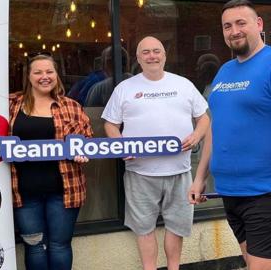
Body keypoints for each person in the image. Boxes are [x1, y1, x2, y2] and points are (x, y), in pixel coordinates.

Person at [188, 1, 271, 270]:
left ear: (259, 25)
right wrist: (199, 178)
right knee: (252, 263)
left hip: (267, 193)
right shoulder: (225, 72)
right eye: (227, 26)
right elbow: (215, 129)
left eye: (241, 23)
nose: (234, 31)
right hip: (231, 193)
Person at [102, 36, 210, 270]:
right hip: (140, 172)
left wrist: (196, 135)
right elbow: (110, 124)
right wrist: (121, 146)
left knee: (176, 227)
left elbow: (204, 118)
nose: (152, 56)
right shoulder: (125, 88)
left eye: (157, 51)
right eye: (146, 52)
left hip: (180, 171)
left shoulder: (183, 85)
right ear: (138, 58)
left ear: (164, 55)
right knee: (144, 228)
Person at [8, 54, 93, 269]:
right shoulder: (10, 104)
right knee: (34, 246)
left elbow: (88, 141)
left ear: (56, 75)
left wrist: (83, 152)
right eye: (38, 72)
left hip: (64, 191)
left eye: (49, 72)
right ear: (28, 76)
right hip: (24, 193)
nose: (44, 77)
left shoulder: (72, 107)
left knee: (59, 245)